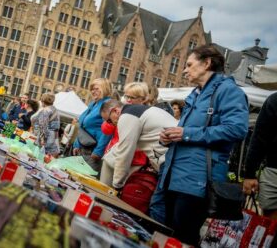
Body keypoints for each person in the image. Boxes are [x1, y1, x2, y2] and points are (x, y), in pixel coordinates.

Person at [151, 44, 248, 246]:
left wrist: (186, 134)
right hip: (173, 176)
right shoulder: (195, 94)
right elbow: (187, 133)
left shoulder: (228, 91)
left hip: (197, 182)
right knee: (162, 233)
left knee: (182, 237)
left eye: (189, 64)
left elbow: (237, 129)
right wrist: (167, 138)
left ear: (206, 63)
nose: (184, 70)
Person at [99, 98, 177, 190]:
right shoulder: (142, 111)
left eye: (109, 120)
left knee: (159, 201)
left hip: (170, 162)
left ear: (115, 111)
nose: (111, 124)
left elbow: (125, 153)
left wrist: (117, 185)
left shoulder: (127, 116)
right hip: (174, 160)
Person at [100, 82, 154, 187]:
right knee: (103, 188)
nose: (128, 100)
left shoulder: (147, 114)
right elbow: (106, 130)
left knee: (121, 191)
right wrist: (112, 120)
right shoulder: (122, 110)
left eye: (132, 97)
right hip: (114, 156)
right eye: (126, 96)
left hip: (135, 161)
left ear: (143, 99)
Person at [243, 92, 277, 221]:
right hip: (274, 173)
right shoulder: (274, 100)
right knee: (271, 230)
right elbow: (259, 140)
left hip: (273, 174)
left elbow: (259, 139)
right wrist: (249, 174)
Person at [73, 78, 114, 172]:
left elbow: (108, 131)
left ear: (104, 89)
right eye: (92, 89)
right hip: (84, 148)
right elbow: (82, 126)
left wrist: (98, 152)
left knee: (85, 178)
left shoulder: (107, 104)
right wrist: (77, 144)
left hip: (93, 151)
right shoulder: (93, 104)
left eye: (96, 89)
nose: (93, 91)